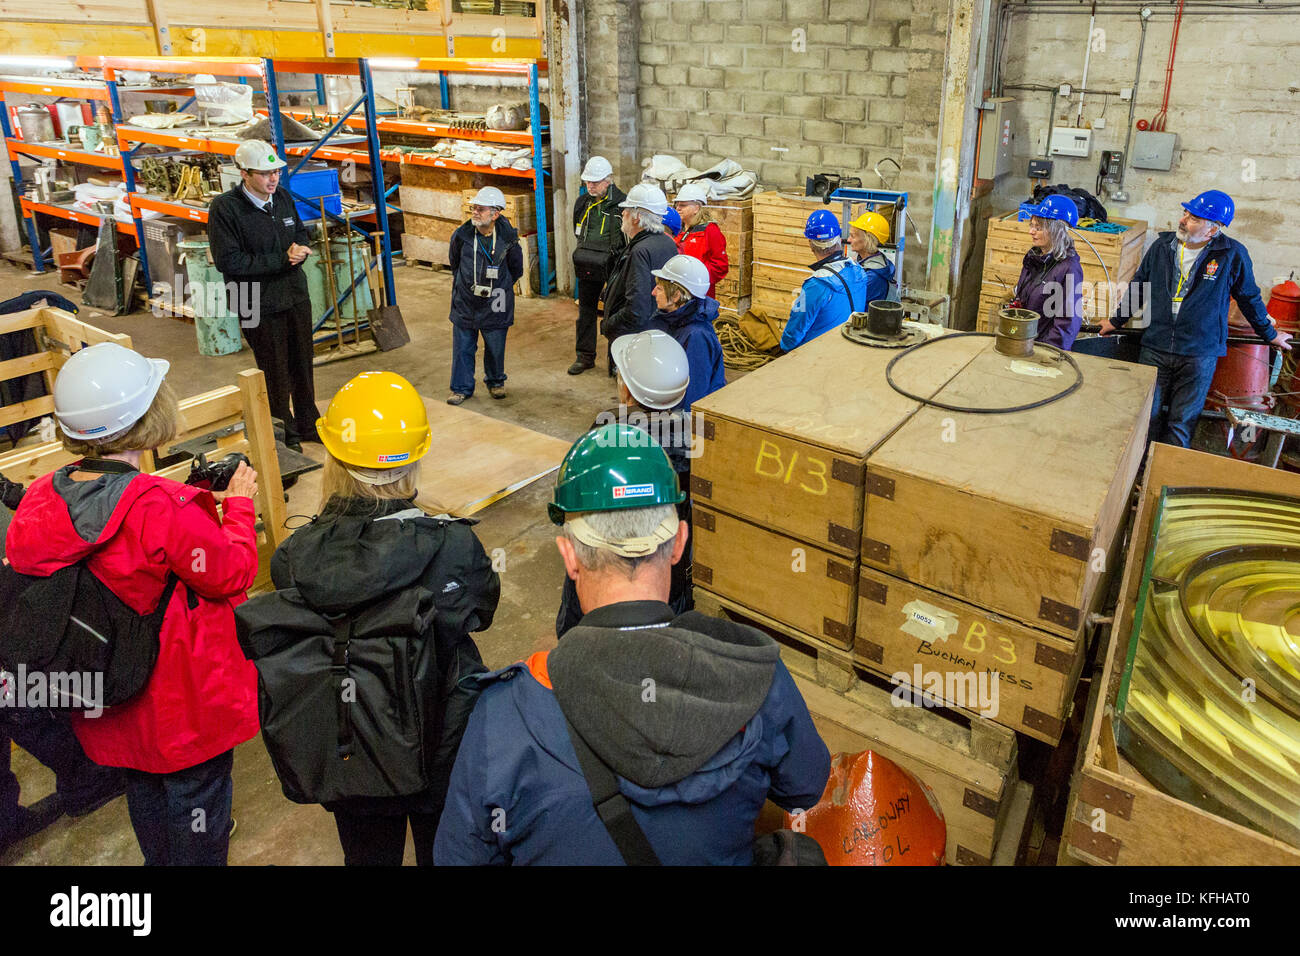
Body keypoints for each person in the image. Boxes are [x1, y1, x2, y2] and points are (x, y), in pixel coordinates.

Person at [434, 424, 831, 865]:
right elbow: (805, 787)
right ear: (679, 542)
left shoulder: (506, 715)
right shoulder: (755, 675)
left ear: (569, 556)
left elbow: (461, 856)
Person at [5, 342, 261, 865]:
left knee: (145, 791)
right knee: (197, 802)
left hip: (109, 700)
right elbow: (231, 574)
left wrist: (185, 507)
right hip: (181, 705)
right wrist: (237, 509)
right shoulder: (159, 507)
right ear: (149, 415)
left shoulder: (40, 499)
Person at [245, 371, 499, 866]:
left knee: (366, 856)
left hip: (351, 750)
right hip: (438, 749)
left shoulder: (293, 558)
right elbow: (482, 611)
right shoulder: (453, 547)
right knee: (443, 852)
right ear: (416, 458)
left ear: (334, 458)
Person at [1100, 190, 1293, 447]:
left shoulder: (1231, 255)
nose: (1183, 220)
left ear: (1213, 230)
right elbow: (1139, 285)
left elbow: (1249, 298)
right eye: (1185, 213)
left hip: (1198, 354)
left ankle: (1164, 477)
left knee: (1181, 421)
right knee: (1146, 416)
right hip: (1156, 347)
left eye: (1194, 218)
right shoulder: (1161, 247)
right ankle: (1137, 476)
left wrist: (1270, 335)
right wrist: (1116, 321)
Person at [555, 331, 694, 638]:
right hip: (668, 569)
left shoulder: (605, 436)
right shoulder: (694, 433)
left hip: (601, 583)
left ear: (628, 391)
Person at [209, 139, 318, 452]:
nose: (273, 179)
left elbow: (299, 232)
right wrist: (283, 259)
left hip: (294, 295)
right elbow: (229, 261)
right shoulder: (225, 209)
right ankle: (283, 436)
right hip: (255, 301)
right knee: (274, 371)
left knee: (302, 361)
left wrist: (300, 250)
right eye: (265, 173)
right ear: (244, 174)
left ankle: (308, 423)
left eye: (277, 172)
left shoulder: (281, 197)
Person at [447, 187, 524, 406]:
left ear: (495, 214)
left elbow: (516, 269)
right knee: (463, 346)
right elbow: (454, 262)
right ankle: (461, 388)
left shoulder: (508, 239)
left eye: (481, 209)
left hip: (496, 299)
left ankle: (495, 381)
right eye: (474, 208)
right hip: (466, 299)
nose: (475, 212)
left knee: (495, 345)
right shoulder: (462, 235)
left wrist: (499, 286)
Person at [599, 183, 678, 375]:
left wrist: (608, 325)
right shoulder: (667, 243)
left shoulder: (641, 251)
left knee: (632, 396)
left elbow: (637, 309)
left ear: (638, 217)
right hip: (656, 334)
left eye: (627, 209)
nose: (623, 213)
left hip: (635, 340)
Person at [779, 210, 870, 353]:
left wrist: (784, 348)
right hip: (849, 349)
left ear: (810, 244)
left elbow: (795, 329)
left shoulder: (815, 285)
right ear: (839, 239)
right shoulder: (858, 271)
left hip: (817, 356)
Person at [569, 156, 627, 376]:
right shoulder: (582, 203)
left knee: (614, 314)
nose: (591, 186)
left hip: (613, 267)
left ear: (609, 180)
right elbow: (577, 231)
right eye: (588, 182)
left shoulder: (622, 204)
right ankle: (584, 356)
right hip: (587, 264)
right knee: (586, 311)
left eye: (596, 181)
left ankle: (615, 361)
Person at [647, 254, 727, 411]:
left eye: (660, 288)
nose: (653, 293)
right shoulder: (675, 321)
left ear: (676, 296)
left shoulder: (696, 337)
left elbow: (693, 399)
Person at [1010, 195, 1084, 350]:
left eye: (1038, 228)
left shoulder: (1069, 269)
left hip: (1043, 350)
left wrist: (1049, 353)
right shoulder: (1034, 259)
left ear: (1056, 230)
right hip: (1024, 343)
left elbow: (1068, 322)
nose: (1031, 231)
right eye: (1031, 225)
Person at [672, 181, 729, 297]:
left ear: (696, 208)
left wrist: (696, 277)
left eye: (683, 205)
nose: (678, 208)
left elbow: (720, 266)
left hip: (698, 292)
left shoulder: (710, 231)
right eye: (677, 205)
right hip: (676, 289)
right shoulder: (677, 229)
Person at [847, 210, 897, 305]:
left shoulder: (872, 277)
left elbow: (846, 302)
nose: (849, 240)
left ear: (867, 240)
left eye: (853, 236)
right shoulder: (874, 262)